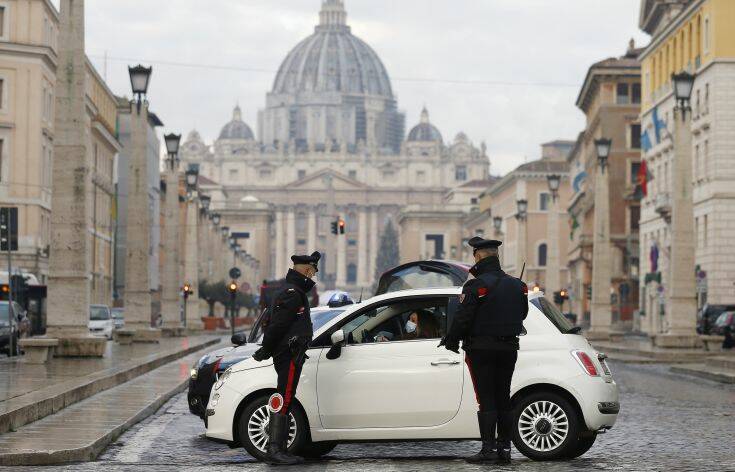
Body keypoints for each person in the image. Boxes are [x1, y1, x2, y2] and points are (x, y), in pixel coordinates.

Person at [439, 236, 528, 465]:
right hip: (509, 348)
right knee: (503, 397)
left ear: (478, 256)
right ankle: (505, 449)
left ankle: (488, 450)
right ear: (496, 256)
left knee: (486, 398)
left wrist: (451, 340)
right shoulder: (517, 285)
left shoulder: (476, 286)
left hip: (481, 350)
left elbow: (463, 318)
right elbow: (523, 314)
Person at [252, 251, 320, 466]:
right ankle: (275, 449)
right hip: (289, 353)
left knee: (286, 396)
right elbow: (278, 325)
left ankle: (279, 448)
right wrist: (266, 348)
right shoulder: (292, 292)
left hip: (290, 353)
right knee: (285, 396)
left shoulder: (292, 290)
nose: (313, 278)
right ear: (307, 271)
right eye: (312, 273)